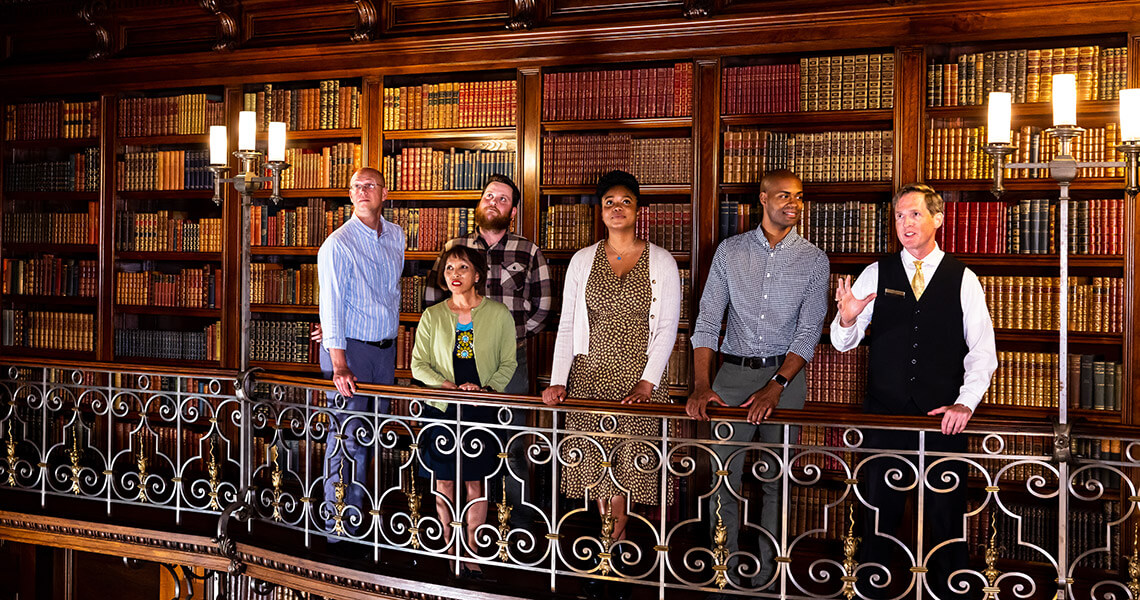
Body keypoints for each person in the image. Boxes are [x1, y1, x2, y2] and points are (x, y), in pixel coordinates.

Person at [830, 183, 997, 599]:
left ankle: (952, 593)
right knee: (878, 516)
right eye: (900, 215)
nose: (905, 223)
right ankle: (871, 591)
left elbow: (983, 352)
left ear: (938, 218)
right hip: (885, 415)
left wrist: (965, 403)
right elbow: (841, 343)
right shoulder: (876, 272)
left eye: (915, 214)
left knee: (946, 517)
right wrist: (847, 320)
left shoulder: (963, 278)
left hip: (942, 420)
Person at [685, 169, 829, 592]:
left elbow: (808, 332)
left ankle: (769, 575)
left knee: (776, 481)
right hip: (731, 375)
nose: (794, 203)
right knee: (723, 478)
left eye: (799, 196)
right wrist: (701, 384)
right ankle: (723, 569)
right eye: (784, 195)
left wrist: (775, 386)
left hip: (786, 379)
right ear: (763, 199)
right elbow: (707, 321)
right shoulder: (730, 252)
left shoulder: (814, 260)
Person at [542, 170, 680, 600]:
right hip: (589, 378)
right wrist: (559, 380)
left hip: (638, 382)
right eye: (609, 202)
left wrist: (647, 383)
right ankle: (609, 558)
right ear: (600, 211)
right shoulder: (583, 260)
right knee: (598, 476)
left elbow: (668, 328)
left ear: (638, 210)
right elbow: (567, 325)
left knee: (625, 478)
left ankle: (612, 561)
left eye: (625, 201)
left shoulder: (661, 261)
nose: (617, 208)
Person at [424, 174, 553, 520]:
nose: (493, 202)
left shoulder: (528, 251)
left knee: (511, 444)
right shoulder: (455, 247)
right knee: (455, 444)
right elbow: (433, 299)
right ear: (479, 203)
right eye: (489, 196)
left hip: (510, 362)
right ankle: (458, 532)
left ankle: (517, 529)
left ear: (513, 211)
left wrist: (505, 338)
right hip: (457, 362)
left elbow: (542, 307)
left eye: (502, 199)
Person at [411, 244, 517, 580]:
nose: (454, 274)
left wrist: (486, 391)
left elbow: (508, 363)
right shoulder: (432, 316)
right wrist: (447, 386)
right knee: (444, 480)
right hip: (442, 408)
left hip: (480, 408)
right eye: (449, 268)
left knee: (476, 482)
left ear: (478, 275)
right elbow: (418, 365)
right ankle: (450, 548)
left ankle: (471, 551)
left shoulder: (499, 314)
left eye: (462, 268)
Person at [316, 167, 404, 549]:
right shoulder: (338, 244)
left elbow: (391, 294)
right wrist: (339, 362)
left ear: (385, 193)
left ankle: (360, 519)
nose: (362, 191)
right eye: (356, 186)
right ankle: (338, 526)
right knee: (346, 440)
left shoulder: (397, 235)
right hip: (350, 352)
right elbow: (332, 304)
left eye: (370, 185)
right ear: (350, 195)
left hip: (384, 351)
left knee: (371, 436)